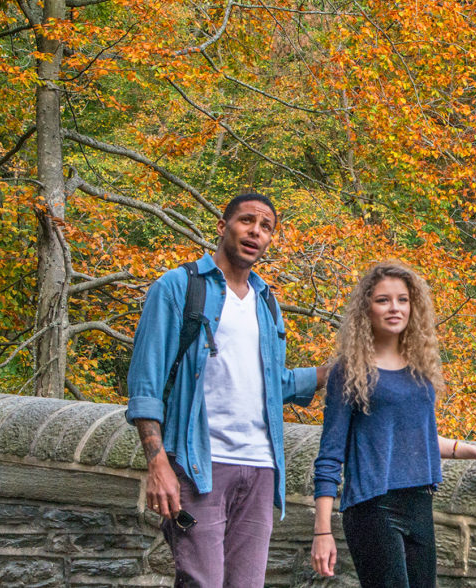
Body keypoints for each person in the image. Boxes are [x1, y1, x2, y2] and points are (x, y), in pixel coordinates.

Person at [126, 192, 329, 588]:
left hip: (260, 467)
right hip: (200, 466)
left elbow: (273, 385)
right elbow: (145, 385)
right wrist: (158, 464)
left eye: (266, 227)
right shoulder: (178, 287)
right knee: (202, 582)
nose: (256, 232)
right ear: (223, 227)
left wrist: (331, 372)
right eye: (247, 221)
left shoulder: (267, 302)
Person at [311, 260, 476, 587]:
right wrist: (322, 531)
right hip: (373, 506)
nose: (394, 307)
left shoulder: (419, 369)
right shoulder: (349, 370)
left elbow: (414, 439)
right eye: (383, 300)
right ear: (366, 308)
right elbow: (329, 455)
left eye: (403, 299)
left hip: (419, 503)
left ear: (414, 306)